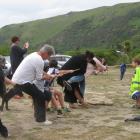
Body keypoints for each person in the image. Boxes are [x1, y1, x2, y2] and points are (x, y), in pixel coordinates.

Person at [12, 44, 55, 125]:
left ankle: (38, 116)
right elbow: (39, 78)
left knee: (39, 95)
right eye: (49, 56)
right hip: (22, 82)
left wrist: (46, 74)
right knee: (41, 96)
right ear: (45, 53)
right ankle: (41, 120)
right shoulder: (39, 60)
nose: (48, 58)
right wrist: (48, 77)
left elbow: (39, 70)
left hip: (18, 80)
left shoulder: (34, 54)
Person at [0, 55, 15, 137]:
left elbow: (4, 78)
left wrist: (14, 83)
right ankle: (4, 132)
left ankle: (3, 132)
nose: (3, 64)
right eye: (1, 62)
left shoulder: (1, 70)